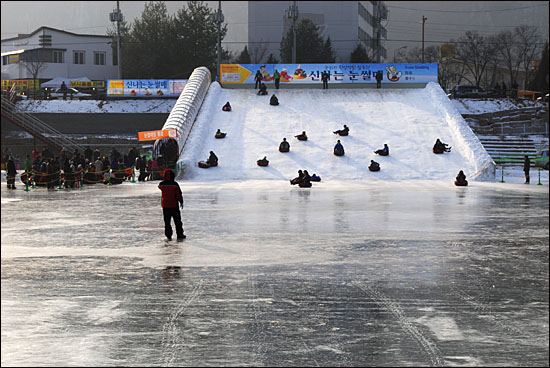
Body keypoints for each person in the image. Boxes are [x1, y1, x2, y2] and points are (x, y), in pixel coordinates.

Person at [158, 169, 185, 241]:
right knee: (177, 221)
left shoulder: (162, 184)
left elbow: (159, 186)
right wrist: (181, 201)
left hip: (165, 205)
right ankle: (180, 234)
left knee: (167, 222)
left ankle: (168, 235)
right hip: (174, 205)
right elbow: (178, 194)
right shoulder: (175, 185)